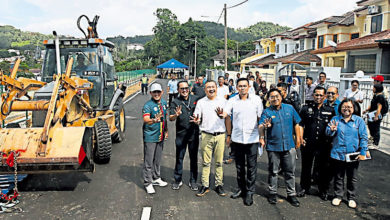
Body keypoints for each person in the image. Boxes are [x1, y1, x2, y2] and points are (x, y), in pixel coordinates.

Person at [220, 78, 263, 206]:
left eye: (245, 86)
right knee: (239, 167)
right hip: (237, 138)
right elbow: (226, 114)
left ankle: (250, 191)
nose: (242, 88)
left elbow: (260, 118)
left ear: (249, 87)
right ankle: (241, 189)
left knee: (251, 167)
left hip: (252, 138)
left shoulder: (256, 100)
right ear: (237, 88)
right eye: (240, 86)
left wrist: (262, 137)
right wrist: (221, 115)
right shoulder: (232, 100)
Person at [259, 88, 302, 207]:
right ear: (268, 99)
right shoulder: (267, 112)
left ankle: (291, 194)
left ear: (281, 97)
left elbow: (297, 123)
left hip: (289, 145)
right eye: (272, 97)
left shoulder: (289, 108)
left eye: (277, 96)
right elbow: (261, 126)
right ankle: (272, 192)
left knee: (290, 172)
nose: (275, 98)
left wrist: (298, 138)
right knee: (273, 171)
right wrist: (264, 129)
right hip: (273, 146)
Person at [326, 99, 368, 209]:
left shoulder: (358, 121)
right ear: (340, 108)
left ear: (353, 109)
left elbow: (363, 137)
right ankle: (338, 195)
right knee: (338, 176)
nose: (347, 109)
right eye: (344, 107)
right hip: (338, 153)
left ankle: (351, 197)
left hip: (353, 154)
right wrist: (332, 130)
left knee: (352, 177)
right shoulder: (335, 119)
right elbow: (328, 132)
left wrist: (363, 152)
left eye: (349, 107)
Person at [192, 80, 229, 197]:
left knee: (219, 162)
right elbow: (197, 118)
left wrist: (229, 135)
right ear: (205, 89)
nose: (211, 89)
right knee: (206, 163)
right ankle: (205, 185)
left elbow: (227, 118)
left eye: (213, 87)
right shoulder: (201, 102)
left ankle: (219, 185)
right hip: (206, 135)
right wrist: (197, 121)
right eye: (208, 87)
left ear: (216, 88)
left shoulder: (223, 102)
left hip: (220, 135)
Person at [298, 87, 335, 200]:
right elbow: (300, 125)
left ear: (324, 97)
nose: (318, 97)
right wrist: (300, 138)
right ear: (313, 95)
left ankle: (322, 190)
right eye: (316, 95)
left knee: (323, 168)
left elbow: (333, 126)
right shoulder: (305, 108)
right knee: (306, 166)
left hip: (324, 144)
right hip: (308, 142)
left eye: (321, 95)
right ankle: (304, 187)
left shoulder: (330, 110)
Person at [169, 81, 200, 191]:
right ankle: (178, 180)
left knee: (193, 158)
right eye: (182, 88)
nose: (184, 90)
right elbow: (171, 118)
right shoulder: (175, 102)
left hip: (193, 134)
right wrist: (176, 115)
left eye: (186, 88)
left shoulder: (196, 99)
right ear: (178, 90)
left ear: (189, 88)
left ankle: (193, 181)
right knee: (179, 158)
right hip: (181, 135)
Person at [142, 83, 169, 194]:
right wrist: (154, 120)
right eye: (154, 92)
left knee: (157, 159)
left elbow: (165, 118)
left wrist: (166, 130)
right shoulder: (148, 105)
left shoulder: (163, 103)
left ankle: (156, 177)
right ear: (151, 93)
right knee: (149, 161)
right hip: (150, 136)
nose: (157, 94)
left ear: (162, 92)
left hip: (160, 135)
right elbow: (146, 119)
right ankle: (148, 182)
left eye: (158, 92)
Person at [363, 84, 386, 148]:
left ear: (377, 89)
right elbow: (372, 104)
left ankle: (376, 143)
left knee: (376, 128)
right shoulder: (375, 96)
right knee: (370, 126)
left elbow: (379, 107)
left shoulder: (380, 97)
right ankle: (372, 140)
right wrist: (366, 110)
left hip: (375, 114)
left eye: (374, 88)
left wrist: (376, 116)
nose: (373, 89)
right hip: (371, 113)